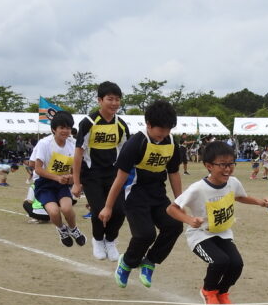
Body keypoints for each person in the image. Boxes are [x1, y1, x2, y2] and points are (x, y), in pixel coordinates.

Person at [168, 141, 268, 305]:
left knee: (236, 264)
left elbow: (239, 197)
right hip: (200, 235)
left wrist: (258, 202)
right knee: (220, 261)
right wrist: (189, 219)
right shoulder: (197, 189)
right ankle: (208, 291)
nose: (228, 169)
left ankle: (222, 292)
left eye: (231, 164)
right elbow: (171, 209)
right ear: (208, 166)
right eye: (222, 165)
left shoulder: (233, 182)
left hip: (222, 233)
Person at [99, 100, 183, 289]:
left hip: (158, 196)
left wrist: (179, 202)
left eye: (168, 129)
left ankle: (149, 261)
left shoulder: (170, 143)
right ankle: (127, 263)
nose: (164, 134)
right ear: (148, 124)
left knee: (174, 225)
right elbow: (120, 178)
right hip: (134, 196)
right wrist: (108, 206)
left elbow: (174, 173)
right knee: (145, 234)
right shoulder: (136, 143)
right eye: (160, 129)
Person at [71, 81, 130, 261]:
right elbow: (78, 153)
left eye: (117, 99)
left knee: (119, 211)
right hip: (92, 175)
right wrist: (76, 182)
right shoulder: (88, 123)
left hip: (114, 174)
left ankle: (110, 240)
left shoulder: (121, 124)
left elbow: (126, 151)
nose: (114, 103)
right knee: (99, 210)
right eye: (110, 99)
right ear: (99, 100)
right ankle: (97, 239)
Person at [32, 111, 86, 248]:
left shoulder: (73, 144)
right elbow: (37, 169)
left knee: (67, 209)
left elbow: (76, 168)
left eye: (68, 128)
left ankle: (74, 229)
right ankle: (62, 229)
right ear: (53, 129)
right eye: (62, 127)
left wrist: (72, 178)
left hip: (63, 183)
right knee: (54, 211)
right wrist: (57, 177)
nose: (65, 131)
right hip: (44, 183)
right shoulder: (44, 143)